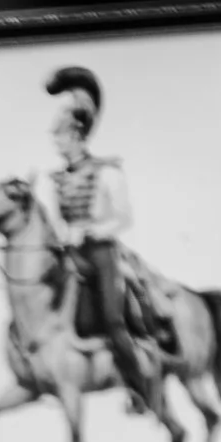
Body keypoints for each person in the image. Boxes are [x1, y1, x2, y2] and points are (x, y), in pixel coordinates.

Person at [45, 62, 160, 421]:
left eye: (60, 134)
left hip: (102, 252)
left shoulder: (108, 172)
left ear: (77, 134)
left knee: (112, 318)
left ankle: (141, 386)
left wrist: (95, 230)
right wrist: (63, 237)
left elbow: (124, 217)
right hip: (72, 254)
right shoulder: (57, 179)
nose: (55, 140)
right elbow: (58, 222)